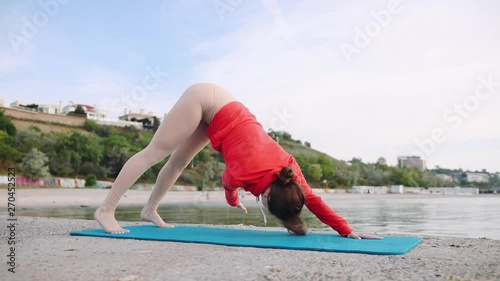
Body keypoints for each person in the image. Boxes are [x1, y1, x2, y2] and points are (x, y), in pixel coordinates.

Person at [94, 83, 381, 239]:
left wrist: (345, 228)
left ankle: (150, 209)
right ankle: (106, 210)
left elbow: (312, 200)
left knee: (179, 162)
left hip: (222, 115)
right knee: (155, 152)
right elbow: (228, 182)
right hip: (205, 98)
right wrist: (233, 200)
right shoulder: (248, 171)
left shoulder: (289, 171)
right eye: (266, 203)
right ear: (268, 195)